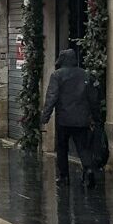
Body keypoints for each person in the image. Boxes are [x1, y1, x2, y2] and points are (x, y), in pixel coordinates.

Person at [41, 48, 100, 186]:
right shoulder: (85, 74)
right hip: (82, 119)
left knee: (62, 148)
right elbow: (93, 98)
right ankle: (89, 169)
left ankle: (63, 177)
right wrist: (96, 117)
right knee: (82, 147)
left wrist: (45, 116)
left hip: (64, 119)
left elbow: (51, 97)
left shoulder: (57, 75)